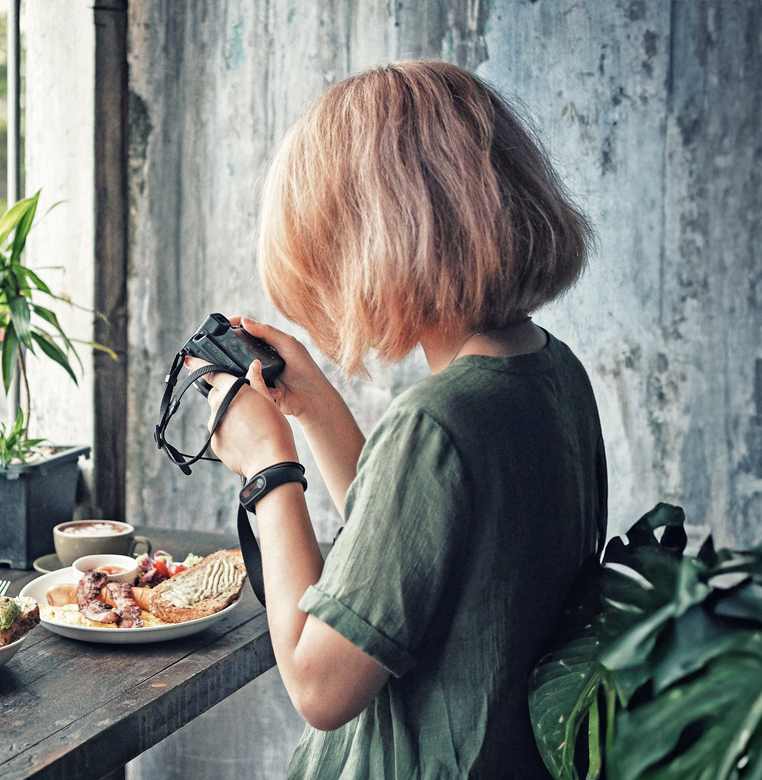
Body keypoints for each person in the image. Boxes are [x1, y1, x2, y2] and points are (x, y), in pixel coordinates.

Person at [190, 60, 606, 779]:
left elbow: (319, 686)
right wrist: (316, 409)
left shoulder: (436, 423)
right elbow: (415, 553)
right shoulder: (550, 373)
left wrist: (268, 471)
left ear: (375, 245)